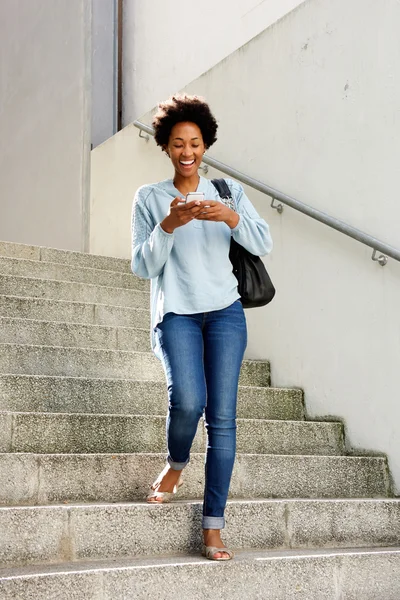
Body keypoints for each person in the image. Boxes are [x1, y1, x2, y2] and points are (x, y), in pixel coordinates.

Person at [131, 94, 273, 561]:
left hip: (226, 313)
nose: (187, 151)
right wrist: (169, 224)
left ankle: (213, 526)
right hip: (178, 315)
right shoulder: (150, 198)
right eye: (177, 143)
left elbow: (262, 241)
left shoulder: (227, 191)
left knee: (224, 421)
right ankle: (175, 464)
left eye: (194, 142)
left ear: (205, 145)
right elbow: (141, 266)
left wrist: (230, 217)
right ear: (166, 148)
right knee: (188, 401)